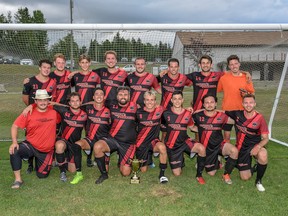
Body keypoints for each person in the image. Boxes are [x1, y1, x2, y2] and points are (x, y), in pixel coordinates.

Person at [9, 89, 60, 189]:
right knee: (14, 150)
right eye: (40, 100)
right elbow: (14, 126)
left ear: (48, 101)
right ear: (35, 101)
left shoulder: (54, 112)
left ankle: (35, 162)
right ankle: (18, 180)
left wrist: (31, 105)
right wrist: (14, 142)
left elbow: (68, 107)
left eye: (45, 100)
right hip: (31, 145)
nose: (42, 102)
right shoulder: (28, 113)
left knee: (42, 175)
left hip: (46, 150)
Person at [93, 86, 137, 184]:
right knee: (97, 146)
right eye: (120, 94)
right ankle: (104, 174)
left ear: (129, 96)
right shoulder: (111, 105)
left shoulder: (135, 107)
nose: (123, 97)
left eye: (125, 95)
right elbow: (96, 103)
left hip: (127, 143)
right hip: (112, 139)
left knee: (125, 173)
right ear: (116, 96)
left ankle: (122, 160)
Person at [225, 94, 269, 192]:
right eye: (246, 103)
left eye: (251, 102)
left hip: (254, 146)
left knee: (263, 154)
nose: (248, 105)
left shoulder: (260, 118)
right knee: (245, 177)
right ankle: (254, 167)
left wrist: (258, 147)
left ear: (255, 104)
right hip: (241, 148)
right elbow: (221, 112)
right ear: (242, 104)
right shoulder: (237, 114)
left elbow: (266, 138)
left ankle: (258, 181)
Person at [161, 91, 206, 184]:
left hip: (185, 142)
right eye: (175, 99)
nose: (177, 101)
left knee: (201, 149)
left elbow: (192, 127)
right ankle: (181, 160)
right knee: (177, 173)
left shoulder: (187, 113)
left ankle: (199, 175)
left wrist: (206, 129)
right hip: (172, 146)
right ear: (171, 100)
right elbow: (161, 126)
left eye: (179, 99)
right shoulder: (166, 113)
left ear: (182, 100)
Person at [192, 94, 238, 184]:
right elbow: (187, 121)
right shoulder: (197, 115)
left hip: (219, 145)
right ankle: (211, 160)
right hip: (206, 148)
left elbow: (238, 118)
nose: (209, 104)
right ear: (203, 105)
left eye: (212, 102)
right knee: (211, 173)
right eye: (207, 103)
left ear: (216, 103)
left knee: (234, 151)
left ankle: (226, 174)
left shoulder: (222, 116)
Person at [22, 59, 57, 174]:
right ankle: (30, 165)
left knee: (45, 137)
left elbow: (53, 99)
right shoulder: (29, 81)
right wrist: (31, 107)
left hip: (47, 115)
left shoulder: (53, 82)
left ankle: (45, 160)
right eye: (44, 67)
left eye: (48, 68)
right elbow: (25, 98)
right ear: (39, 68)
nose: (46, 70)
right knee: (31, 138)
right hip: (33, 115)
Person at [71, 88, 111, 184]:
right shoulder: (87, 107)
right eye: (96, 94)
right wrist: (32, 105)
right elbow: (72, 106)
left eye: (101, 94)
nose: (99, 96)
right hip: (90, 138)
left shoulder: (110, 109)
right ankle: (79, 174)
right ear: (93, 97)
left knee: (105, 168)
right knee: (76, 145)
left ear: (104, 97)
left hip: (103, 140)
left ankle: (104, 174)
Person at [217, 55, 255, 142]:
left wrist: (246, 94)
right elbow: (217, 90)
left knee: (241, 136)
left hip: (241, 110)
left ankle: (240, 153)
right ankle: (227, 154)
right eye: (231, 64)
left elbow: (252, 94)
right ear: (229, 66)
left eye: (236, 63)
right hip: (227, 110)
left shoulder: (246, 77)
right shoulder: (224, 78)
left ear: (239, 64)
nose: (234, 66)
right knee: (226, 136)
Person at [135, 91, 168, 183]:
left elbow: (174, 112)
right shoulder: (138, 112)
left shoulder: (160, 110)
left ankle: (162, 174)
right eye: (147, 100)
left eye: (152, 100)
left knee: (162, 147)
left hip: (154, 141)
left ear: (155, 101)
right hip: (141, 143)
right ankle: (148, 158)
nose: (150, 102)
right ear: (144, 101)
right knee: (143, 170)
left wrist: (188, 109)